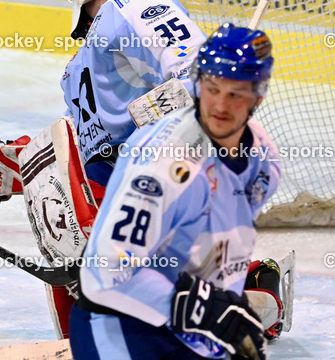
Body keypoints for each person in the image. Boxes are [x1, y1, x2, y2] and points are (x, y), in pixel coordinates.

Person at [0, 0, 287, 339]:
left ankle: (247, 297)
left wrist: (160, 112)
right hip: (114, 179)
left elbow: (198, 71)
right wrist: (12, 161)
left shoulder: (134, 5)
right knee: (77, 263)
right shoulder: (80, 64)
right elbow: (81, 143)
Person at [72, 23, 281, 360]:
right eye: (212, 88)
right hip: (121, 326)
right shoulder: (162, 162)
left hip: (191, 330)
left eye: (236, 93)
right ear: (198, 82)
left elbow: (223, 246)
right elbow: (107, 271)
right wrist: (206, 309)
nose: (220, 106)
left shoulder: (264, 160)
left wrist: (221, 314)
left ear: (259, 94)